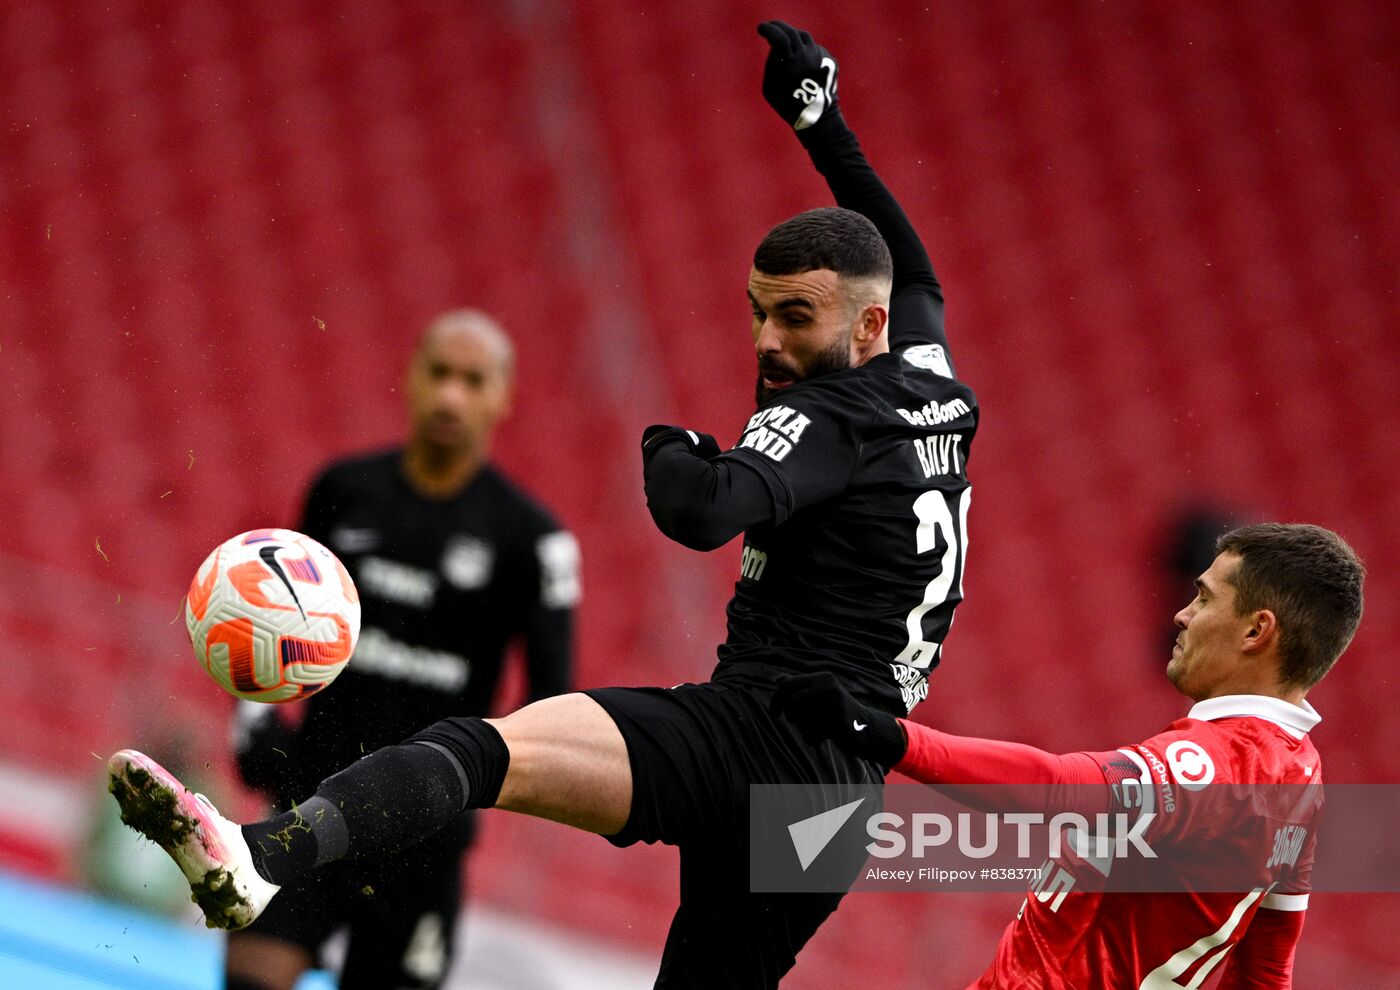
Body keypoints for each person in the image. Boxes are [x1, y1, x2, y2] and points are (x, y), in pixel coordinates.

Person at [105, 22, 977, 987]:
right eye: (756, 311)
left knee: (476, 751)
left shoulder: (829, 415)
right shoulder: (930, 377)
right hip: (840, 806)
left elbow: (698, 511)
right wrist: (823, 123)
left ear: (864, 325)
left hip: (754, 733)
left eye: (794, 317)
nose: (767, 340)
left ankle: (260, 858)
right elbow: (914, 266)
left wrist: (672, 446)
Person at [771, 523, 1365, 988]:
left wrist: (884, 733)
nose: (1182, 614)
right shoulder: (1300, 778)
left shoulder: (1213, 765)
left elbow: (1060, 787)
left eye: (1204, 599)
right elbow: (1265, 970)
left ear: (1256, 632)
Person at [226, 310, 578, 990]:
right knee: (250, 976)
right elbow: (270, 619)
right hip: (310, 801)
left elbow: (550, 698)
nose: (451, 395)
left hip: (425, 841)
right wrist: (253, 714)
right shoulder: (343, 490)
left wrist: (478, 781)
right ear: (410, 377)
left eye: (473, 381)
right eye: (439, 373)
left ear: (503, 397)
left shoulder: (530, 539)